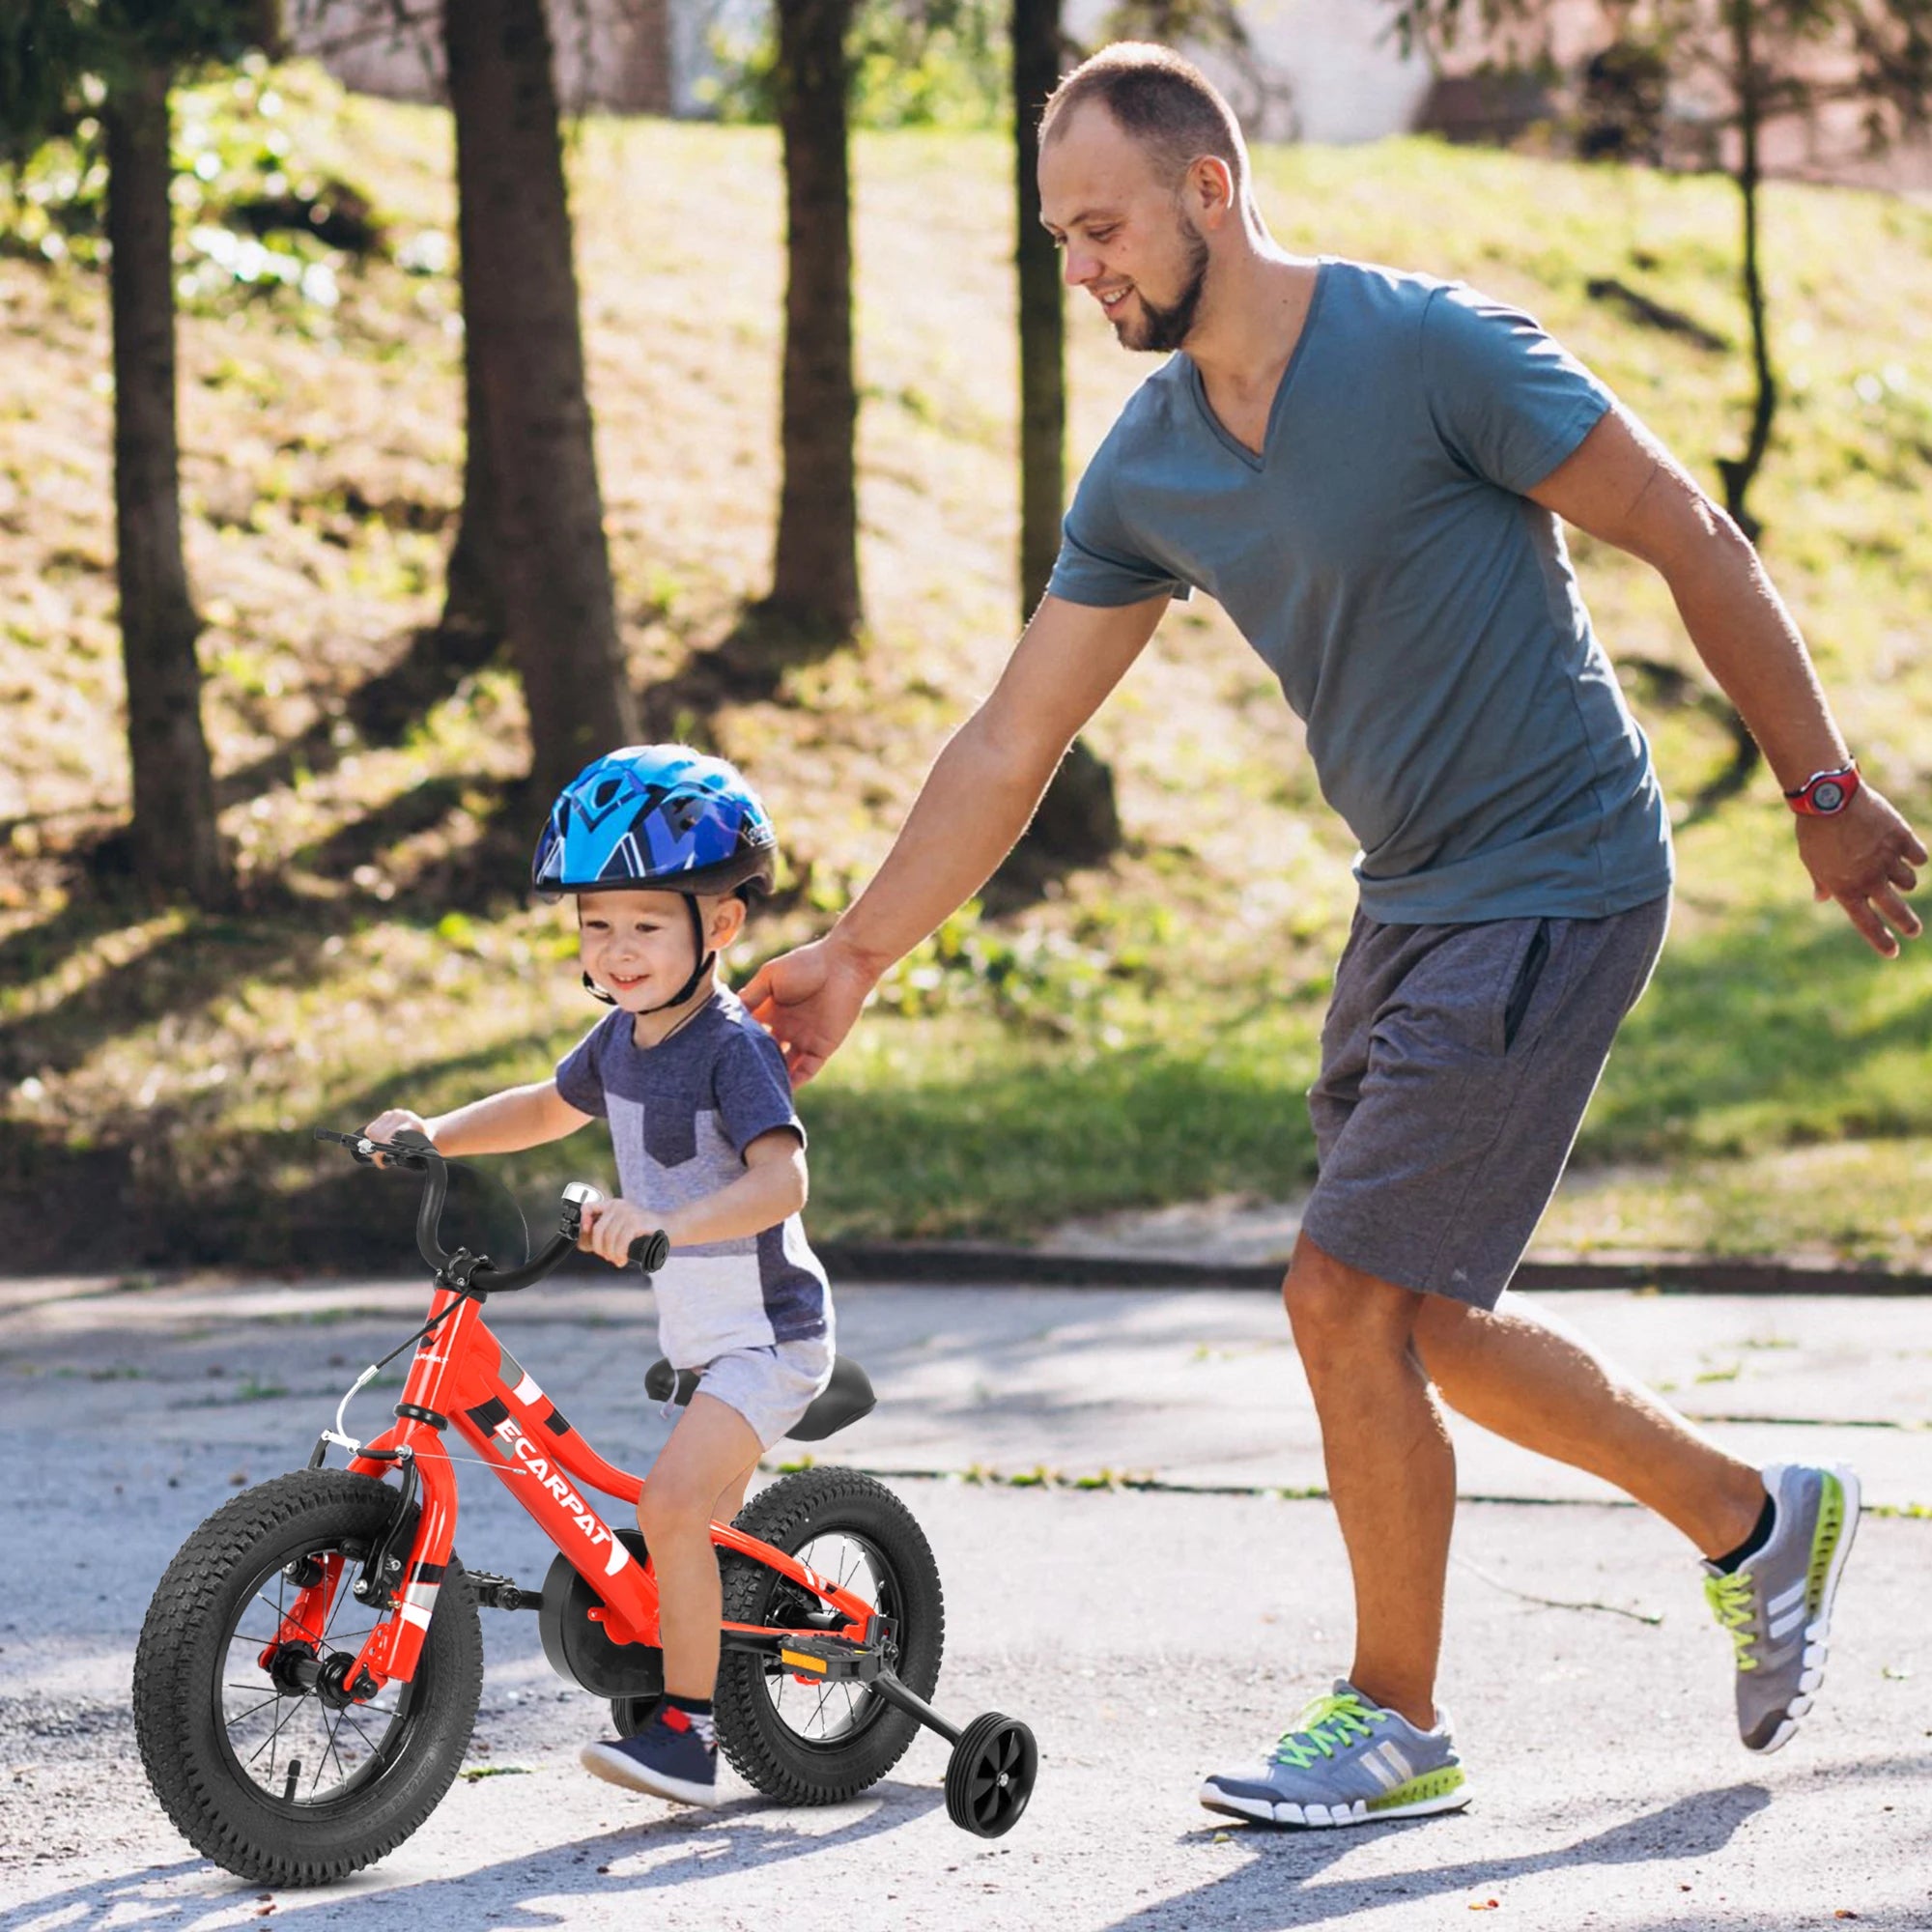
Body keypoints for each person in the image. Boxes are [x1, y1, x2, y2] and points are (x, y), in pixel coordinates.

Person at [740, 43, 1927, 1827]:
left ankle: (1397, 1720)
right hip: (1415, 898)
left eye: (1106, 228)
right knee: (1414, 1323)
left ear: (1211, 189)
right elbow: (1014, 737)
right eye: (1062, 241)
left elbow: (1684, 529)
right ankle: (1754, 1520)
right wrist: (859, 950)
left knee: (1340, 1295)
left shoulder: (1432, 350)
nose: (1088, 270)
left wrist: (1822, 794)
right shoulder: (1149, 465)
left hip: (1561, 868)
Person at [364, 745, 834, 1808]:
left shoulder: (729, 1047)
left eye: (645, 924)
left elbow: (783, 1181)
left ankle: (690, 1735)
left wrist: (667, 1219)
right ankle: (691, 1665)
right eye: (594, 924)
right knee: (690, 1524)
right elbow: (543, 1104)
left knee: (671, 1503)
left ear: (718, 923)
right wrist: (430, 1132)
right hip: (699, 1331)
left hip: (770, 1333)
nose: (617, 951)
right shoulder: (623, 1037)